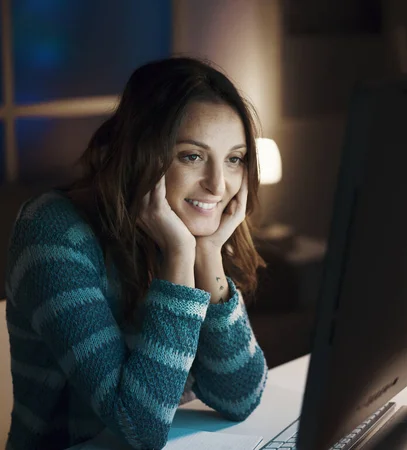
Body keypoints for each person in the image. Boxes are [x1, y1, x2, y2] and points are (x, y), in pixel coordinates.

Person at [4, 57, 268, 450]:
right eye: (191, 156)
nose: (218, 184)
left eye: (234, 159)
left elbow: (241, 396)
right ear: (143, 153)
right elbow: (137, 428)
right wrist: (181, 255)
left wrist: (208, 252)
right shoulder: (52, 233)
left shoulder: (192, 228)